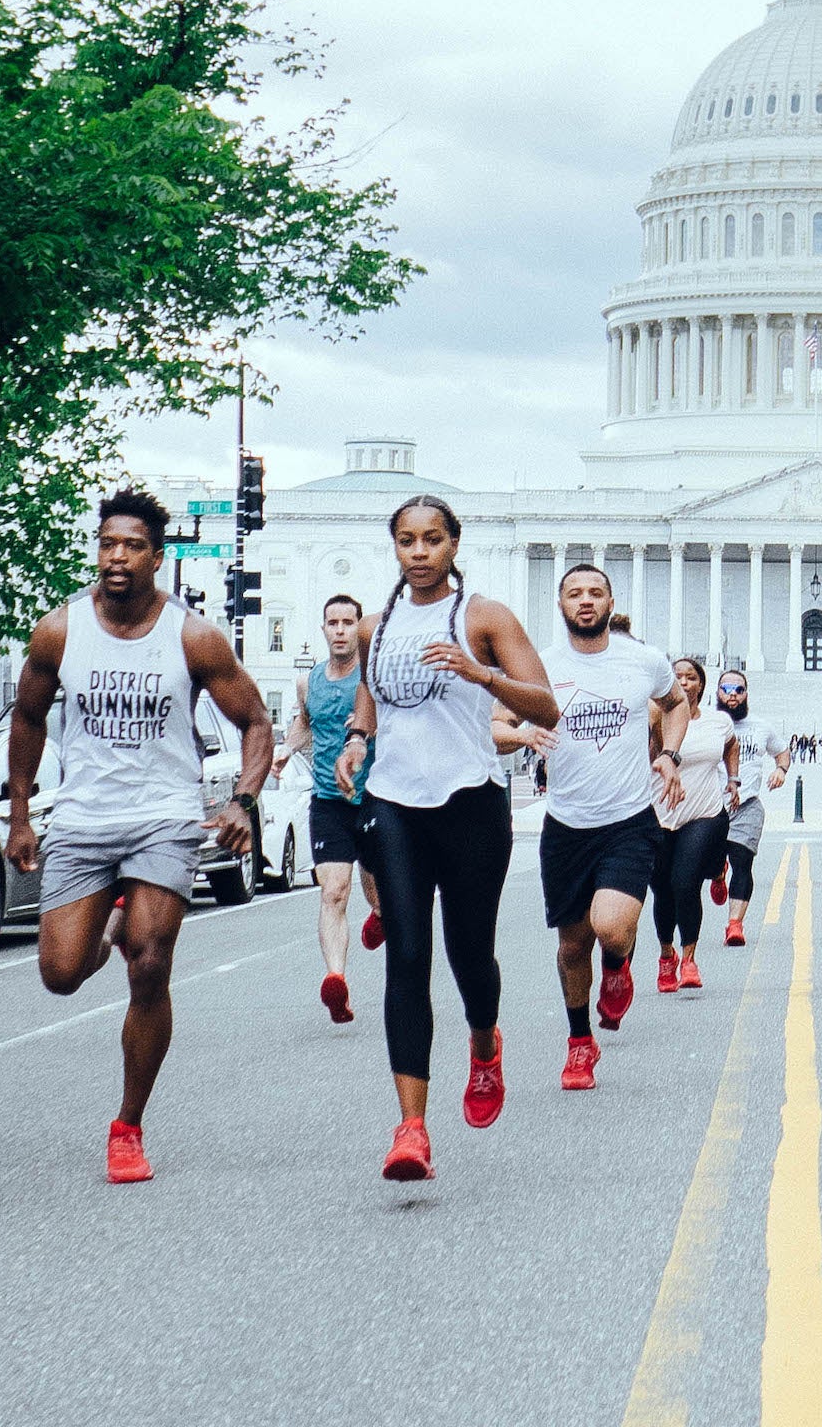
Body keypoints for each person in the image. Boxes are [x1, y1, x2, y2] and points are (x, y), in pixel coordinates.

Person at [5, 489, 274, 1184]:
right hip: (86, 820)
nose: (116, 557)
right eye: (106, 544)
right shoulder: (59, 630)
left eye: (131, 546)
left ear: (158, 556)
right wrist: (22, 815)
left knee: (150, 964)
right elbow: (29, 719)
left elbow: (256, 721)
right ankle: (111, 929)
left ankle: (128, 1126)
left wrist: (243, 800)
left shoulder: (192, 636)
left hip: (162, 817)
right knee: (61, 976)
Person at [343, 494, 556, 1181]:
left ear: (454, 545)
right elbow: (371, 693)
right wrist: (356, 738)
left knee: (469, 955)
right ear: (396, 548)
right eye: (407, 540)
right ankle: (411, 1128)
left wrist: (481, 673)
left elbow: (545, 704)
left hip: (470, 800)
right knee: (406, 954)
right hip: (396, 803)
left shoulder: (484, 617)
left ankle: (486, 1043)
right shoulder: (377, 625)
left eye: (433, 539)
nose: (420, 552)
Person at [515, 565, 686, 1089]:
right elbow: (497, 725)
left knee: (611, 925)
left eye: (595, 592)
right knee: (571, 946)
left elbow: (676, 703)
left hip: (629, 820)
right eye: (574, 593)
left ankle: (618, 961)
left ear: (611, 601)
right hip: (567, 825)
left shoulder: (644, 660)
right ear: (560, 603)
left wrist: (671, 755)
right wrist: (522, 737)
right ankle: (579, 1042)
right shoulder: (540, 667)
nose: (585, 601)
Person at [286, 592, 381, 1024]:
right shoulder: (310, 682)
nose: (340, 630)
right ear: (323, 629)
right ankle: (336, 979)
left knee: (375, 887)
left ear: (358, 629)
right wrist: (284, 750)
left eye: (348, 622)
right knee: (334, 891)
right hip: (328, 800)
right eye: (333, 623)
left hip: (376, 797)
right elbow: (303, 725)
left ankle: (380, 914)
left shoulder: (372, 679)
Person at [652, 656, 737, 991]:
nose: (684, 683)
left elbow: (732, 745)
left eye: (691, 677)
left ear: (701, 684)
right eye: (677, 677)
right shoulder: (654, 717)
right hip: (660, 815)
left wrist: (734, 779)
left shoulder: (718, 722)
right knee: (662, 889)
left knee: (685, 883)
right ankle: (666, 955)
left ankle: (689, 960)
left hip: (702, 812)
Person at [716, 670, 777, 947]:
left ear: (746, 694)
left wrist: (782, 770)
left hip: (748, 804)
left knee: (742, 862)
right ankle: (717, 871)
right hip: (710, 806)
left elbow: (782, 751)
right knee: (709, 863)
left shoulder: (760, 726)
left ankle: (734, 924)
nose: (732, 694)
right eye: (726, 688)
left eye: (738, 689)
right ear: (716, 691)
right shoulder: (706, 724)